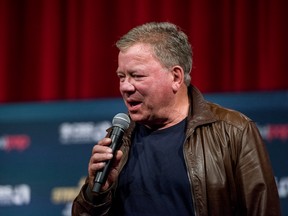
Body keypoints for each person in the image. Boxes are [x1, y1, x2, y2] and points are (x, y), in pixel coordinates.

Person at [72, 22, 281, 216]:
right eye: (121, 77)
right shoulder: (119, 138)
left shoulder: (233, 130)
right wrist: (96, 192)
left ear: (176, 77)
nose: (126, 87)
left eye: (137, 76)